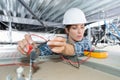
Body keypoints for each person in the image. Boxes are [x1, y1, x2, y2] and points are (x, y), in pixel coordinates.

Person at [17, 8, 92, 63]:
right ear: (67, 30)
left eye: (82, 27)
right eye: (74, 28)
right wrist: (33, 50)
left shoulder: (86, 42)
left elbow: (78, 48)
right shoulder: (58, 43)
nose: (80, 32)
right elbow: (42, 50)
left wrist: (64, 48)